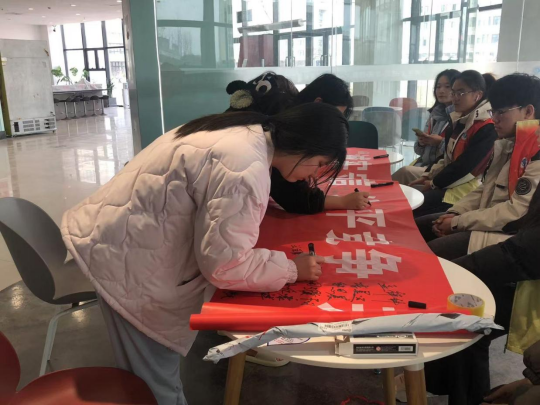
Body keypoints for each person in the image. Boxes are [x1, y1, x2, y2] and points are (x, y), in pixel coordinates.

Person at [61, 103, 348, 405]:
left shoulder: (244, 131)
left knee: (152, 376)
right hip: (126, 260)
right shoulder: (245, 167)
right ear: (304, 146)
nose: (313, 176)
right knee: (154, 386)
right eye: (319, 164)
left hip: (121, 237)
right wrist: (291, 269)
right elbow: (226, 266)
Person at [416, 73, 540, 260]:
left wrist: (457, 222)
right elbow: (485, 187)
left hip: (510, 235)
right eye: (493, 112)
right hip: (485, 218)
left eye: (501, 112)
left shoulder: (534, 150)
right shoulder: (508, 143)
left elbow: (516, 213)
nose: (495, 118)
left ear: (528, 112)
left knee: (431, 251)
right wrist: (455, 213)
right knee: (421, 226)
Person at [226, 72, 369, 214]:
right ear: (318, 104)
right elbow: (294, 198)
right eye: (333, 116)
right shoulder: (286, 132)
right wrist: (342, 202)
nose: (314, 174)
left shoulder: (287, 108)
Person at [410, 70, 498, 217]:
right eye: (454, 92)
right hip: (449, 183)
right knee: (408, 197)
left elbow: (466, 168)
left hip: (466, 191)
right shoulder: (459, 118)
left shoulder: (487, 126)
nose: (455, 98)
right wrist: (428, 175)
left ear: (477, 95)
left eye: (461, 93)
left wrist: (434, 183)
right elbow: (447, 157)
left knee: (412, 208)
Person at [392, 69, 459, 185]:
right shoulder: (434, 115)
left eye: (447, 87)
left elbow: (455, 153)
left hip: (441, 168)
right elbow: (418, 151)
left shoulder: (459, 117)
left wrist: (440, 142)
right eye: (438, 87)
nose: (441, 91)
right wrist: (422, 142)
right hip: (425, 164)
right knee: (403, 174)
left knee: (404, 172)